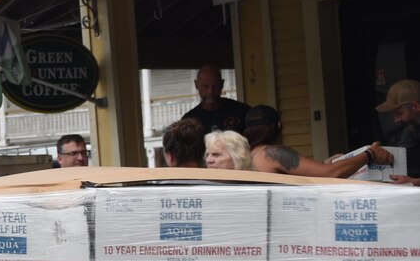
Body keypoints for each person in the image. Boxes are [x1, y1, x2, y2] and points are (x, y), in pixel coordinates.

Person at [244, 104, 393, 178]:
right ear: (278, 126)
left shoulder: (247, 155)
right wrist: (370, 154)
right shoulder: (273, 153)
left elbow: (318, 169)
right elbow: (331, 173)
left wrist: (322, 163)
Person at [180, 64, 251, 134]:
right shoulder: (189, 120)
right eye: (205, 86)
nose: (211, 92)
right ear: (196, 85)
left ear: (222, 84)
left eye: (215, 86)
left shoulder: (242, 111)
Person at [375, 79, 420, 182]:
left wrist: (413, 181)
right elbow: (401, 157)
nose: (396, 120)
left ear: (415, 106)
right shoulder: (412, 127)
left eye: (399, 113)